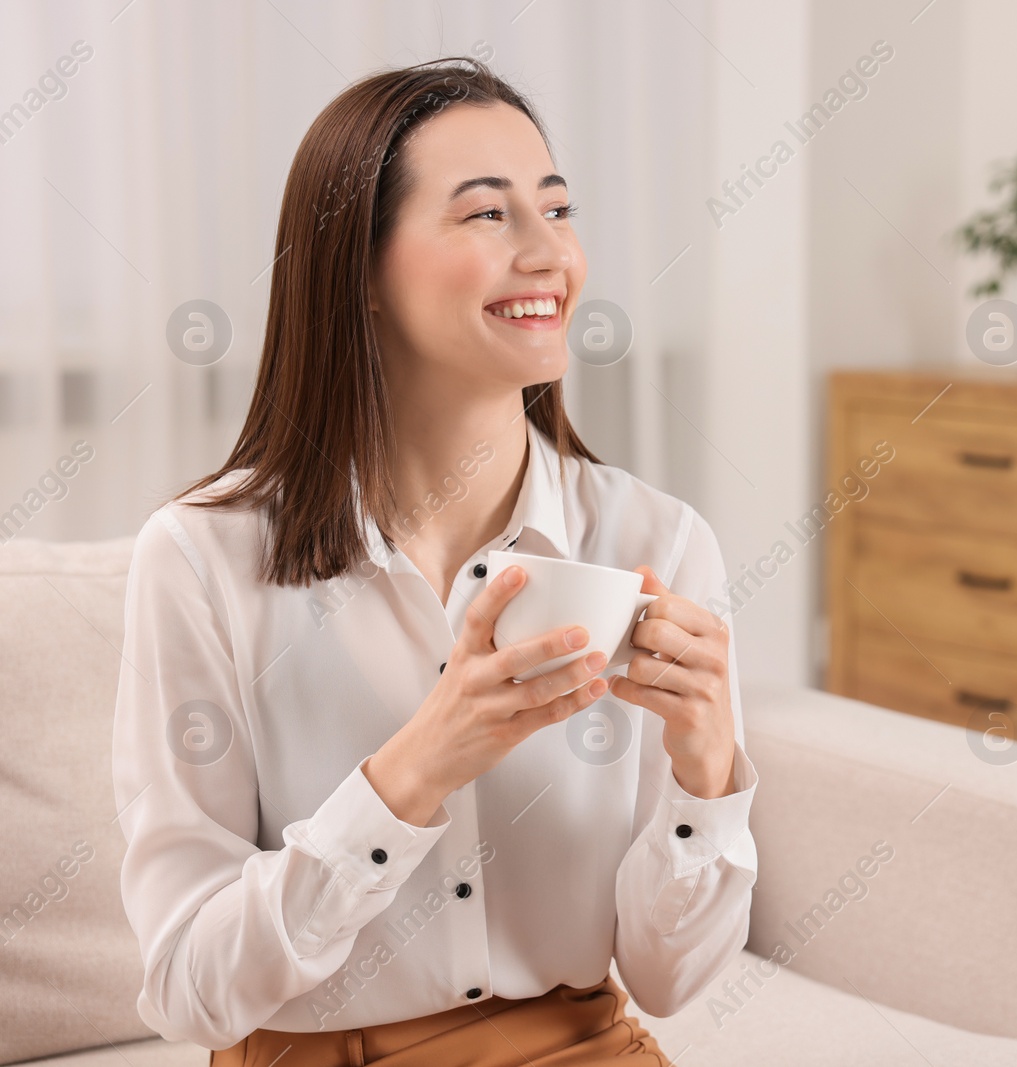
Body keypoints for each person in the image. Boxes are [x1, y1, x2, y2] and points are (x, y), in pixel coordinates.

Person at [110, 56, 757, 1067]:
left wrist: (706, 772)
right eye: (487, 215)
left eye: (557, 208)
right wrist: (416, 769)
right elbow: (189, 984)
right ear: (359, 270)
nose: (550, 252)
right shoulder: (201, 559)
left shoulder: (656, 543)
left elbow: (671, 980)